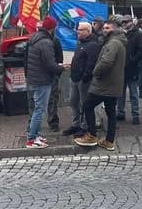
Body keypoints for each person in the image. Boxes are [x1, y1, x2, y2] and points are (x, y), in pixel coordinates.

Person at [75, 17, 127, 151]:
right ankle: (109, 141)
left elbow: (106, 62)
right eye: (104, 28)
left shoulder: (113, 43)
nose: (104, 30)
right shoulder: (117, 41)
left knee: (87, 105)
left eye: (108, 28)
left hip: (105, 83)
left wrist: (95, 72)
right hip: (113, 84)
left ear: (115, 29)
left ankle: (92, 135)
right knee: (110, 112)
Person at [24, 18, 62, 148]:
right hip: (43, 80)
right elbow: (50, 64)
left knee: (36, 109)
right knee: (39, 110)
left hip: (33, 78)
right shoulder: (46, 42)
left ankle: (36, 134)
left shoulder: (34, 39)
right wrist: (62, 67)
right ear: (52, 29)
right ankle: (32, 139)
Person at [63, 22, 101, 137]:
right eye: (77, 29)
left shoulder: (93, 44)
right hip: (74, 77)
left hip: (83, 80)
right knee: (73, 102)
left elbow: (91, 62)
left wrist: (85, 76)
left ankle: (85, 126)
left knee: (84, 103)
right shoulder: (80, 43)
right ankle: (76, 124)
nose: (77, 31)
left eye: (80, 30)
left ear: (88, 31)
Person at [118, 15, 142, 124]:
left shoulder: (138, 34)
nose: (124, 24)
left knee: (133, 93)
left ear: (131, 22)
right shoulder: (120, 34)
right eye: (123, 22)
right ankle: (120, 112)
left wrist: (133, 60)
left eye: (126, 22)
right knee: (120, 93)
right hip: (121, 68)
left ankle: (135, 114)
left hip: (132, 68)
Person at [43, 17, 65, 133]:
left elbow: (59, 58)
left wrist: (58, 72)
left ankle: (52, 122)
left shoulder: (55, 41)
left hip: (50, 75)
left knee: (51, 99)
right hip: (45, 75)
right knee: (50, 99)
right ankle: (52, 122)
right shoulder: (48, 40)